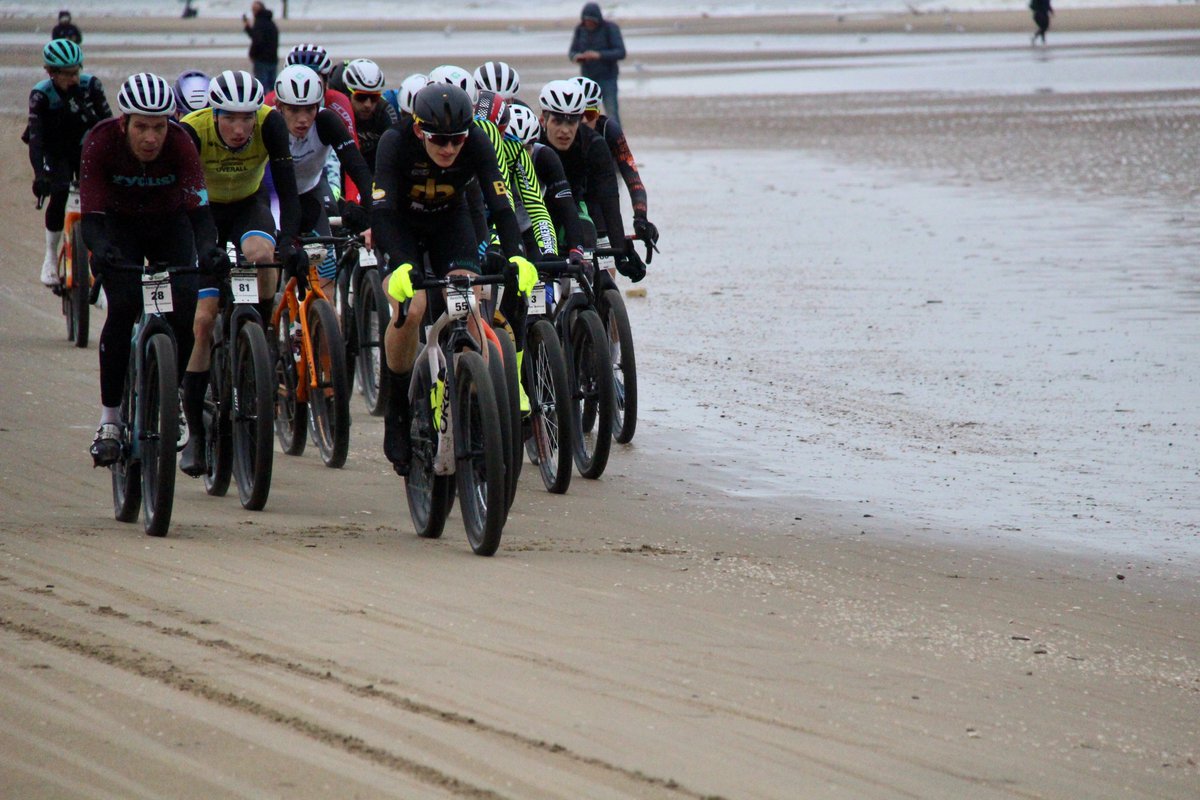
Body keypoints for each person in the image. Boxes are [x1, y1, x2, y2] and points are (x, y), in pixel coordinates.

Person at [370, 83, 536, 476]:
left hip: (449, 223)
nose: (449, 149)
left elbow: (500, 203)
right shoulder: (394, 142)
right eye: (439, 140)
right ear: (418, 130)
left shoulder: (476, 140)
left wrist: (516, 254)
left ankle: (477, 407)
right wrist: (401, 264)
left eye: (456, 140)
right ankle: (397, 406)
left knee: (471, 301)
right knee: (414, 308)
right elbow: (382, 211)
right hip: (401, 227)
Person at [79, 72, 224, 467]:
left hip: (169, 226)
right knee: (123, 308)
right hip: (119, 228)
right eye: (141, 127)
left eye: (159, 127)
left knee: (185, 307)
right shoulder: (100, 141)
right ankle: (109, 420)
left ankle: (171, 394)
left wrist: (209, 251)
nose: (151, 137)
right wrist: (100, 249)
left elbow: (201, 213)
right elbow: (91, 217)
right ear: (124, 122)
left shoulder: (180, 142)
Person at [179, 69, 304, 476]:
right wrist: (206, 250)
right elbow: (187, 198)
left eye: (246, 118)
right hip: (202, 212)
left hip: (248, 205)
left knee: (263, 254)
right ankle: (195, 433)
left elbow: (287, 189)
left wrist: (290, 241)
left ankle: (259, 331)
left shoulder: (271, 123)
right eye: (230, 118)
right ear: (214, 114)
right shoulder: (192, 130)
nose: (239, 128)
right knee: (203, 320)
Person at [270, 63, 374, 296]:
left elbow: (358, 169)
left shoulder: (327, 121)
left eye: (310, 109)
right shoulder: (270, 125)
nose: (303, 119)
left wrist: (372, 215)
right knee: (269, 255)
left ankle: (323, 311)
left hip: (311, 189)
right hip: (273, 195)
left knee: (327, 260)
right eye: (294, 110)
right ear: (279, 107)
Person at [537, 80, 643, 284]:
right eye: (558, 121)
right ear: (544, 119)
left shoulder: (594, 144)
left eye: (571, 122)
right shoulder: (533, 143)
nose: (565, 130)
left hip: (579, 206)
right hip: (538, 208)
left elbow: (610, 202)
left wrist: (620, 252)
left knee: (587, 231)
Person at [25, 39, 111, 287]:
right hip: (57, 152)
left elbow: (108, 127)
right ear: (51, 72)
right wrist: (39, 175)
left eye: (77, 72)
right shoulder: (41, 94)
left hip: (86, 148)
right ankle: (50, 258)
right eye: (68, 74)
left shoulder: (91, 86)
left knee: (100, 199)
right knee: (59, 191)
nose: (74, 78)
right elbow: (36, 140)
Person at [572, 76, 658, 249]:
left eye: (590, 114)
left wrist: (640, 217)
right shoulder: (558, 133)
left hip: (599, 198)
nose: (584, 121)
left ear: (598, 113)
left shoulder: (609, 130)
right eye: (578, 116)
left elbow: (633, 178)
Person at [568, 3, 625, 128]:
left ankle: (616, 138)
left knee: (612, 113)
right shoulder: (580, 29)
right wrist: (577, 57)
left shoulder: (610, 28)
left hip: (608, 77)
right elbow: (572, 52)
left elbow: (621, 52)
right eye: (586, 20)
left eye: (591, 20)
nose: (589, 23)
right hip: (588, 79)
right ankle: (589, 138)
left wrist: (599, 55)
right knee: (588, 115)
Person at [340, 58, 397, 174]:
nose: (368, 104)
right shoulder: (338, 111)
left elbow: (394, 156)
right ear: (348, 94)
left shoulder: (385, 111)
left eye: (374, 97)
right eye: (361, 97)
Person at [242, 1, 278, 88]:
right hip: (272, 59)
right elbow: (256, 36)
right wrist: (248, 27)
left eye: (254, 10)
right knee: (272, 87)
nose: (253, 12)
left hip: (262, 60)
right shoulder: (271, 23)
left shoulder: (260, 23)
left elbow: (257, 41)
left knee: (261, 86)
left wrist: (252, 54)